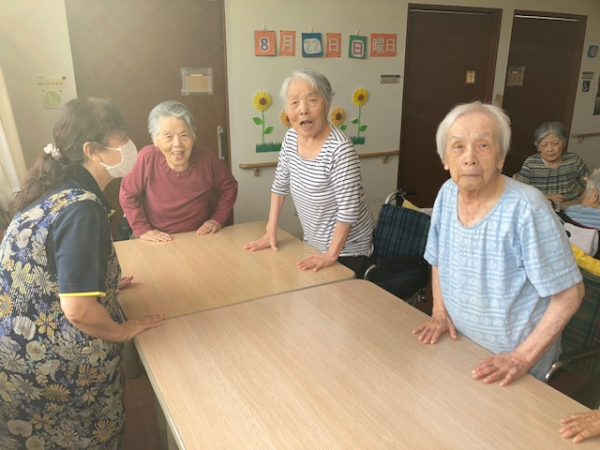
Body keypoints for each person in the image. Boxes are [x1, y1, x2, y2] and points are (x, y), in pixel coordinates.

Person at [0, 98, 164, 448]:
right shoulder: (82, 208)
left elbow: (48, 266)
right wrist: (122, 331)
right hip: (52, 371)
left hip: (16, 354)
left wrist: (100, 281)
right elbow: (78, 310)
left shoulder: (51, 189)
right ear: (93, 150)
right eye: (122, 138)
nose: (131, 145)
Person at [412, 101, 583, 386]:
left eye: (483, 145)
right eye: (458, 147)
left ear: (501, 157)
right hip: (460, 347)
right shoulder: (447, 193)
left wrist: (521, 358)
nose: (469, 158)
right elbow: (438, 258)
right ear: (445, 159)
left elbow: (570, 295)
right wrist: (440, 313)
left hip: (512, 367)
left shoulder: (527, 209)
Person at [244, 68, 373, 276]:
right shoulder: (290, 138)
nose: (303, 110)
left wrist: (331, 255)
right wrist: (270, 231)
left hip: (348, 252)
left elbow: (348, 211)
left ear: (327, 105)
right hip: (313, 244)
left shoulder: (340, 149)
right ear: (287, 110)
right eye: (294, 102)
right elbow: (279, 187)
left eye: (312, 100)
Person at [119, 100, 238, 241]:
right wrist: (143, 230)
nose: (177, 144)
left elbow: (230, 186)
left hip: (197, 237)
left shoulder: (207, 159)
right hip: (157, 238)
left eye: (184, 135)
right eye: (168, 137)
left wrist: (217, 219)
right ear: (155, 141)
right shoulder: (147, 158)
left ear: (193, 135)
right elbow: (127, 194)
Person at [516, 121, 589, 204]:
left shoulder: (574, 160)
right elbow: (520, 193)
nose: (550, 149)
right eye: (544, 145)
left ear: (564, 143)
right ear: (538, 147)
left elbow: (589, 185)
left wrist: (592, 183)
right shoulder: (530, 163)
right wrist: (548, 197)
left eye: (555, 143)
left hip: (570, 206)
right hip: (541, 206)